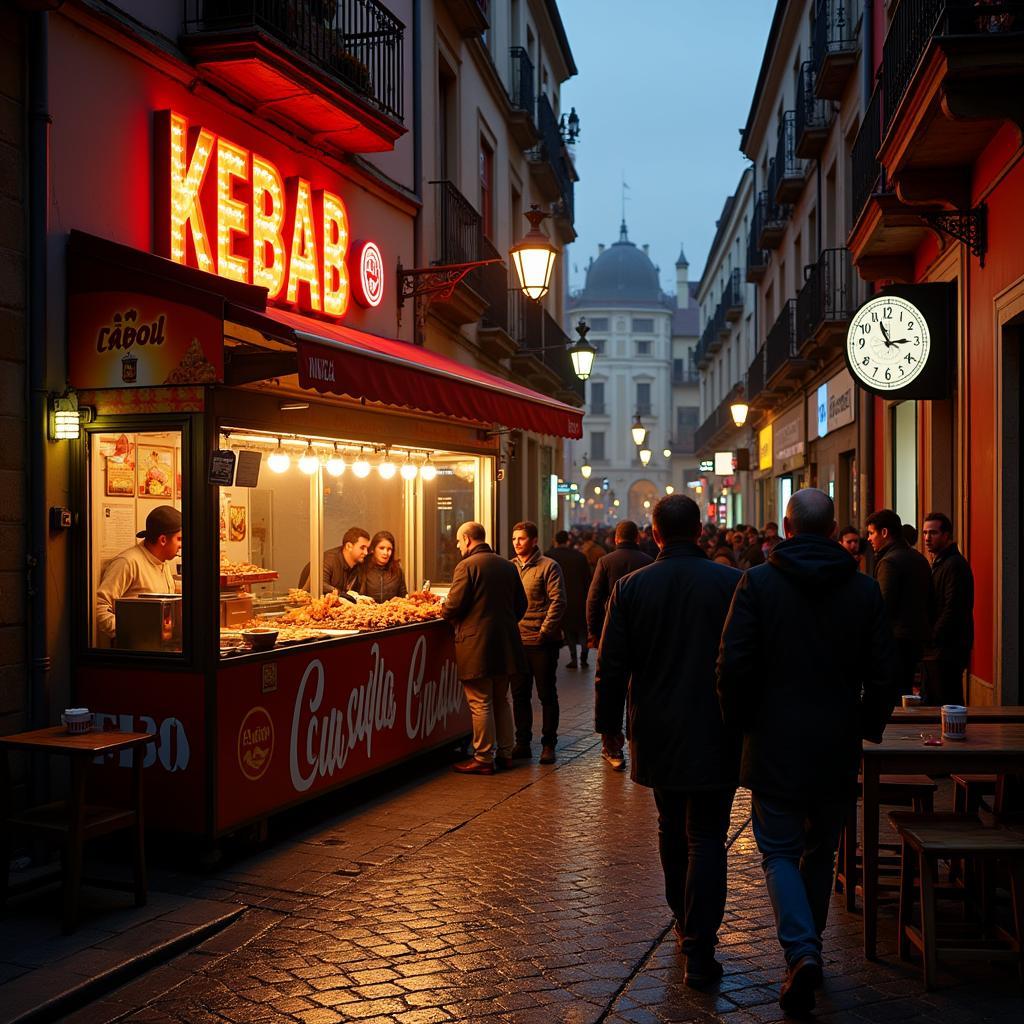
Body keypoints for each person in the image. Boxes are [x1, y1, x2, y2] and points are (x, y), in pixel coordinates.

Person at [717, 489, 895, 1016]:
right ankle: (806, 949)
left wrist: (740, 724)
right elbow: (885, 670)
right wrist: (866, 724)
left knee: (776, 848)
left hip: (774, 741)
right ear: (834, 526)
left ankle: (801, 951)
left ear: (787, 528)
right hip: (836, 740)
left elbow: (732, 665)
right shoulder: (862, 589)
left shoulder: (759, 583)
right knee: (821, 851)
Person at [596, 495, 741, 987]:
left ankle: (684, 923)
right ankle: (700, 945)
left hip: (657, 727)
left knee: (670, 826)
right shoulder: (732, 583)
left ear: (654, 534)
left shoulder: (632, 588)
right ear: (699, 531)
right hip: (718, 727)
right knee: (707, 837)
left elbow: (611, 666)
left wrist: (609, 729)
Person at [443, 522, 527, 775]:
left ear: (468, 539)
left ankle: (482, 757)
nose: (458, 546)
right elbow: (521, 604)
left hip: (476, 644)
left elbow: (453, 605)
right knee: (501, 699)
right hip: (506, 644)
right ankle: (506, 752)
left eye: (459, 541)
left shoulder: (467, 566)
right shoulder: (506, 565)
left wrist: (445, 611)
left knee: (480, 701)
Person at [510, 521, 566, 764]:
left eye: (521, 538)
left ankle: (548, 743)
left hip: (542, 643)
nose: (516, 543)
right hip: (518, 641)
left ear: (533, 540)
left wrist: (544, 631)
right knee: (520, 694)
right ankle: (522, 742)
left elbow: (558, 601)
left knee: (546, 694)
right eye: (514, 539)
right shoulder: (510, 567)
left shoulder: (549, 566)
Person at [866, 508, 932, 697]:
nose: (869, 539)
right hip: (916, 639)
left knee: (892, 693)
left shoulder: (889, 562)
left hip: (894, 640)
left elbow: (883, 606)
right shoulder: (919, 558)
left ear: (884, 532)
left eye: (871, 533)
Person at [96, 505, 181, 643]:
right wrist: (132, 633)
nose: (181, 544)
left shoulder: (163, 561)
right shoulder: (127, 562)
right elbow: (99, 608)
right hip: (135, 652)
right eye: (179, 539)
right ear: (163, 540)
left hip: (158, 645)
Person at [922, 512, 974, 705]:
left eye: (933, 533)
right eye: (925, 533)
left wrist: (932, 636)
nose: (927, 538)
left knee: (946, 703)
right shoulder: (940, 563)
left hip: (947, 649)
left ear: (946, 535)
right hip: (938, 649)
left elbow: (953, 608)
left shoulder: (954, 565)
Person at [585, 520, 653, 648]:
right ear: (637, 538)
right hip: (641, 626)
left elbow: (593, 598)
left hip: (612, 625)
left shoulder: (605, 562)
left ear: (616, 539)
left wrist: (592, 631)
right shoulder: (648, 562)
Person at [545, 530, 592, 669]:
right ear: (568, 540)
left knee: (568, 630)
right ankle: (584, 655)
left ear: (555, 540)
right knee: (582, 629)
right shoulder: (580, 556)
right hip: (580, 598)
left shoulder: (549, 556)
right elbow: (587, 579)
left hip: (561, 598)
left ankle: (573, 658)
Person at [298, 526, 370, 593]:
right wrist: (341, 594)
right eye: (362, 548)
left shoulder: (358, 566)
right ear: (349, 546)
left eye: (367, 548)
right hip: (309, 603)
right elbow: (318, 584)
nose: (366, 552)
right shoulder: (329, 560)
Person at [359, 530, 407, 603]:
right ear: (373, 549)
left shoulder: (397, 569)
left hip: (391, 612)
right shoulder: (363, 566)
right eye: (381, 548)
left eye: (389, 549)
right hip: (367, 611)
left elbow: (404, 595)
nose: (385, 553)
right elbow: (353, 595)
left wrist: (400, 600)